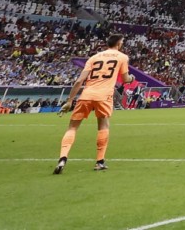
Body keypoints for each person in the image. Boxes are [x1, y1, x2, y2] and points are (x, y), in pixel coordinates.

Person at [54, 33, 129, 174]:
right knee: (103, 126)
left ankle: (62, 158)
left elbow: (78, 81)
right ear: (119, 44)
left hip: (86, 95)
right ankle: (99, 162)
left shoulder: (94, 58)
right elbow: (125, 79)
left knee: (72, 128)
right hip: (104, 96)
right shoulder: (122, 57)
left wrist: (69, 101)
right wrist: (130, 78)